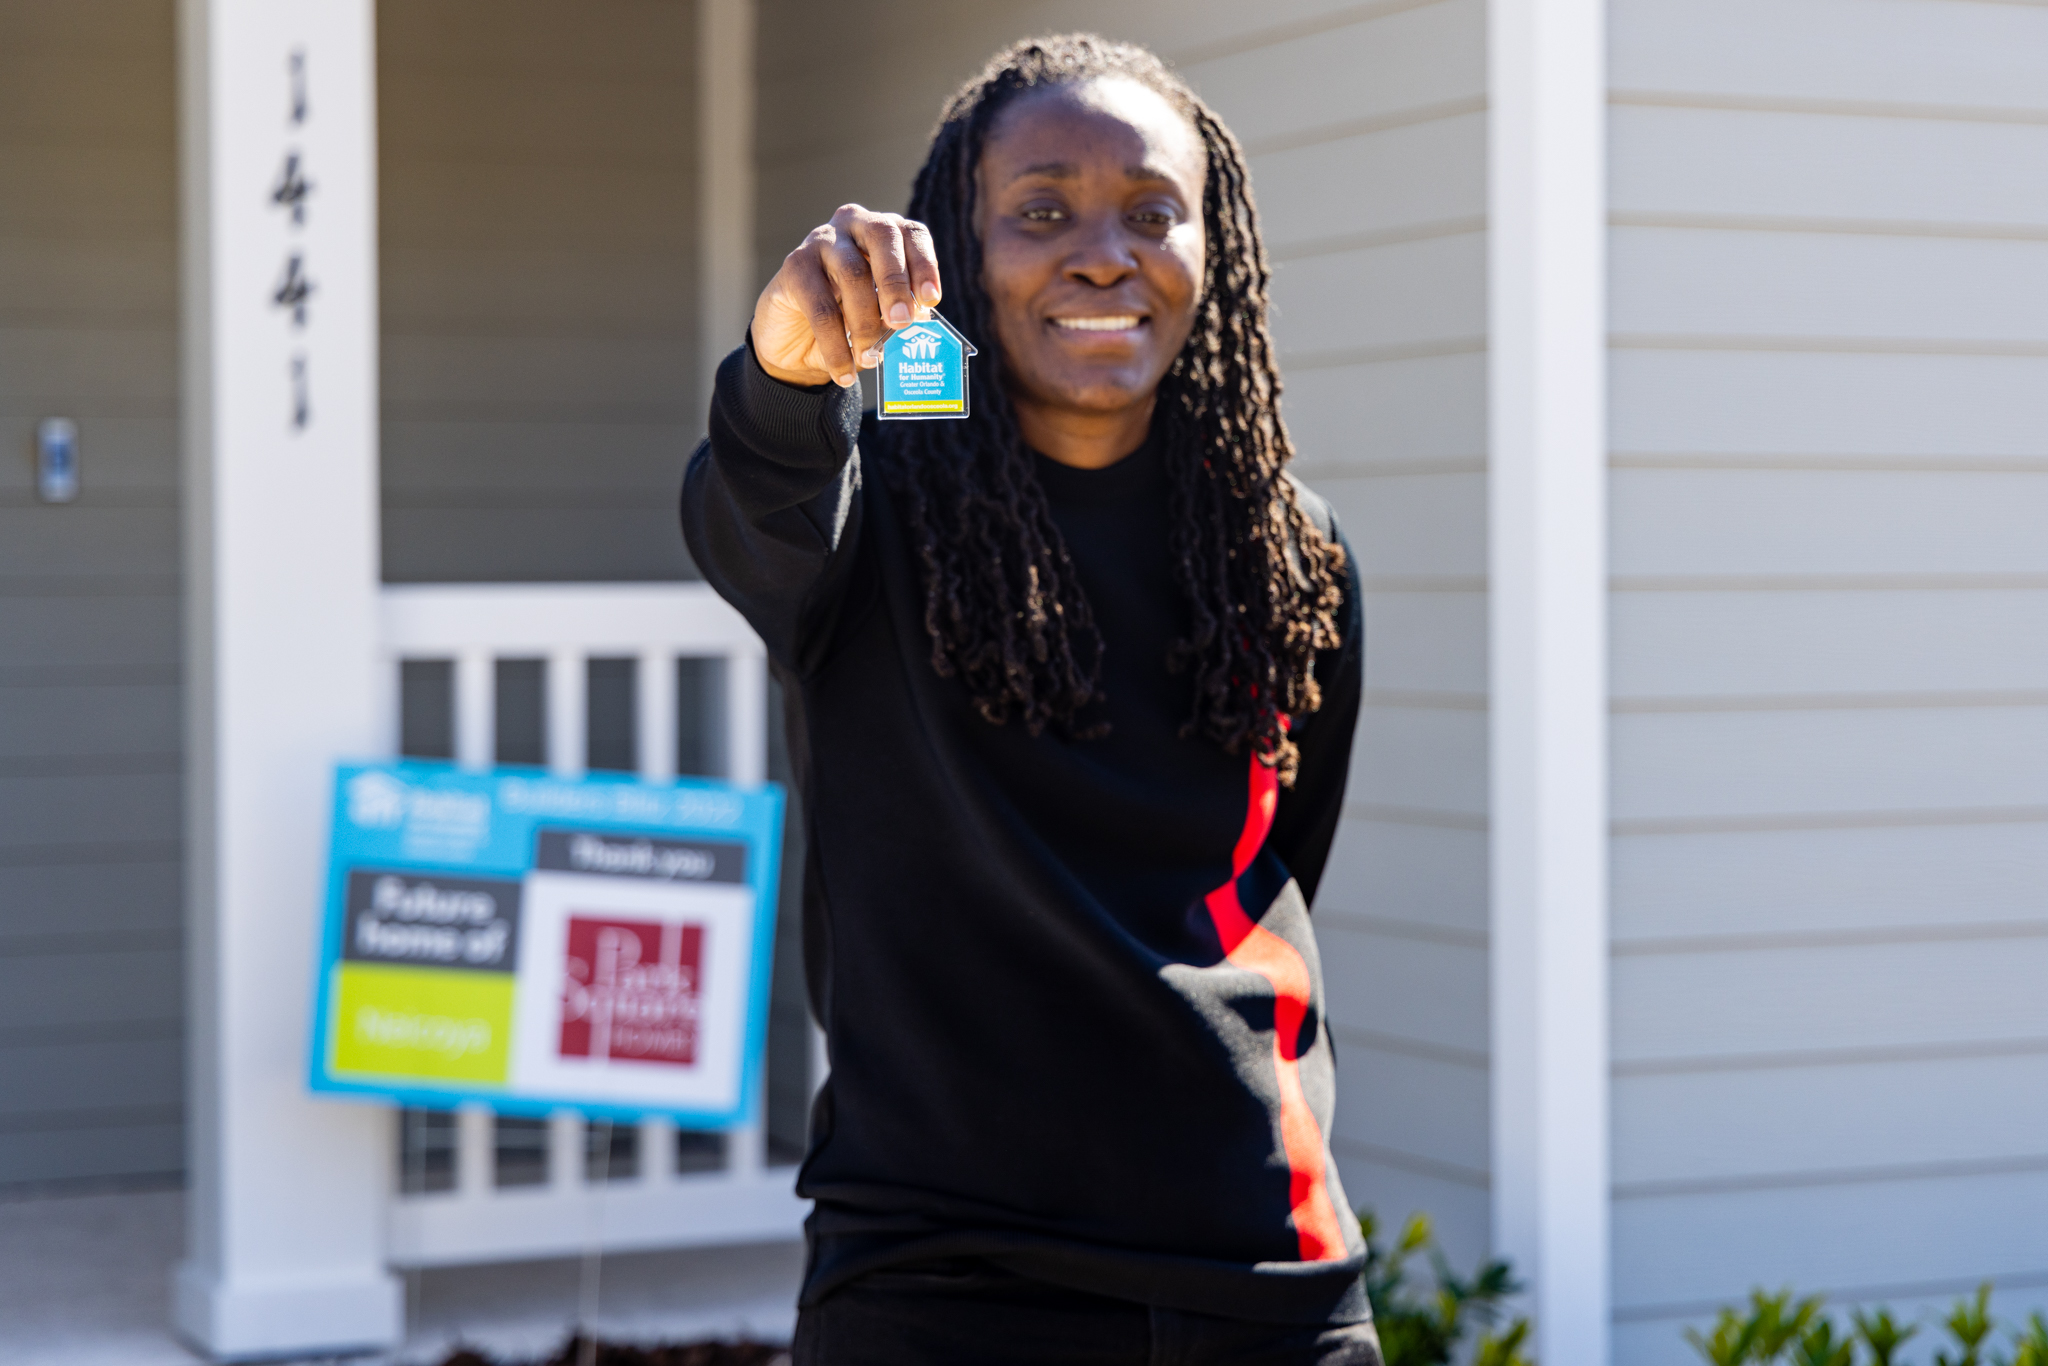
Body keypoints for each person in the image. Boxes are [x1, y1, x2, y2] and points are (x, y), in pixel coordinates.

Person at [682, 34, 1377, 1366]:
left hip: (1263, 1272)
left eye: (1151, 212)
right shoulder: (875, 517)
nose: (1105, 252)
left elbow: (1289, 864)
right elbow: (747, 520)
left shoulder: (1294, 555)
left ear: (1211, 247)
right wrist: (778, 382)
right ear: (964, 250)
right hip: (940, 1276)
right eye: (1042, 211)